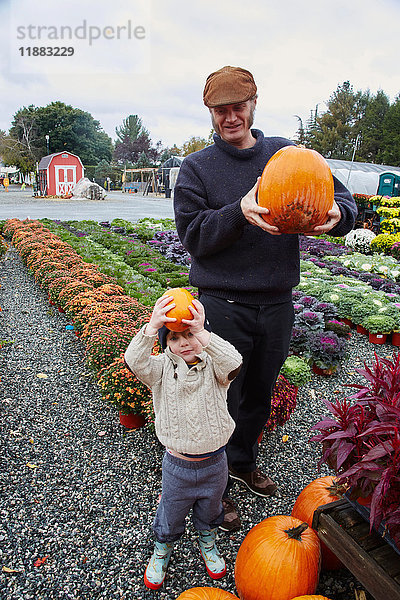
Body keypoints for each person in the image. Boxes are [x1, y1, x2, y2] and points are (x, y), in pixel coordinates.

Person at [173, 65, 358, 532]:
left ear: (254, 105)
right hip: (222, 306)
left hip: (276, 303)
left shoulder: (287, 154)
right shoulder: (197, 168)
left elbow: (343, 201)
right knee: (219, 399)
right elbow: (194, 237)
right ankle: (215, 490)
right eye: (221, 110)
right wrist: (238, 212)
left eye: (238, 107)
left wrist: (339, 215)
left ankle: (242, 460)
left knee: (258, 393)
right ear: (210, 113)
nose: (230, 117)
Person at [124, 293, 242, 590]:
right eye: (175, 338)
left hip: (215, 463)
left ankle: (208, 540)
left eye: (190, 335)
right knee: (172, 510)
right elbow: (133, 361)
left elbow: (234, 361)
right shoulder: (160, 369)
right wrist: (152, 327)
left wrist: (204, 332)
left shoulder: (215, 368)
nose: (184, 342)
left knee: (210, 507)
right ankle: (162, 547)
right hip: (177, 465)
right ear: (166, 345)